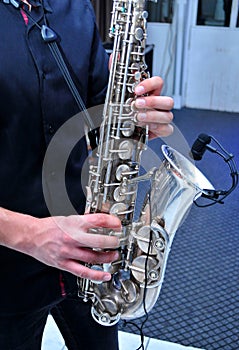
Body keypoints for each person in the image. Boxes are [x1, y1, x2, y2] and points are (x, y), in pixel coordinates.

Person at [0, 0, 174, 349]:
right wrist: (29, 234)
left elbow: (97, 117)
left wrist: (138, 119)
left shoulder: (76, 11)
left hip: (91, 255)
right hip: (7, 275)